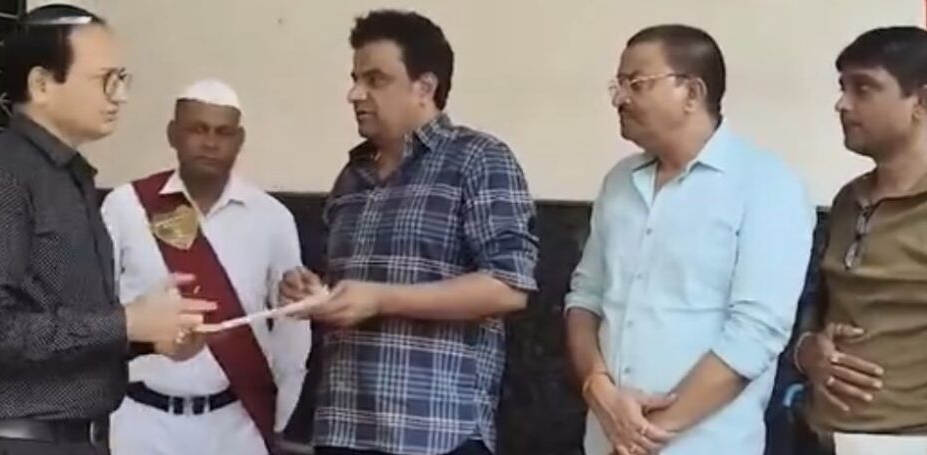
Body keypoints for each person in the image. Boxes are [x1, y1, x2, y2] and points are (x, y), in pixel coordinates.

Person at [0, 5, 213, 455]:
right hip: (6, 441)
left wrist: (144, 335)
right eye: (105, 80)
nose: (119, 96)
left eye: (122, 79)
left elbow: (56, 322)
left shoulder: (68, 178)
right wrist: (126, 322)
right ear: (41, 84)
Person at [278, 9, 539, 455]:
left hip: (434, 430)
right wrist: (314, 292)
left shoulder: (479, 159)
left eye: (375, 79)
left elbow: (508, 286)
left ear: (425, 87)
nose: (355, 94)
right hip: (343, 425)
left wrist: (381, 299)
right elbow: (349, 287)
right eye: (355, 79)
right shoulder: (351, 176)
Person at [564, 24, 814, 455]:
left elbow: (756, 333)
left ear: (692, 93)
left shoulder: (766, 184)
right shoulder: (620, 182)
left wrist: (644, 436)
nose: (620, 98)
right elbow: (585, 298)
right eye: (618, 85)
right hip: (606, 439)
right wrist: (596, 386)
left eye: (636, 83)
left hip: (703, 444)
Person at [102, 79, 310, 455]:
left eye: (223, 132)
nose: (211, 143)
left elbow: (291, 325)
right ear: (173, 134)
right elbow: (98, 309)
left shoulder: (272, 218)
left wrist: (278, 417)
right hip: (139, 424)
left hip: (236, 426)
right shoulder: (125, 207)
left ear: (239, 139)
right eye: (198, 129)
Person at [795, 27, 927, 453]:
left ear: (921, 101)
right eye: (842, 87)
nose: (843, 104)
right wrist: (808, 351)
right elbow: (820, 303)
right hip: (822, 435)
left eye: (864, 88)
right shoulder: (848, 199)